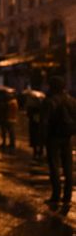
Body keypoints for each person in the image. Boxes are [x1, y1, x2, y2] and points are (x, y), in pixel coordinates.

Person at [42, 76, 75, 206]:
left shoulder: (49, 101)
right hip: (67, 137)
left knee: (54, 166)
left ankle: (56, 195)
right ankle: (67, 196)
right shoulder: (71, 100)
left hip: (53, 137)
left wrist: (43, 139)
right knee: (68, 167)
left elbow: (44, 122)